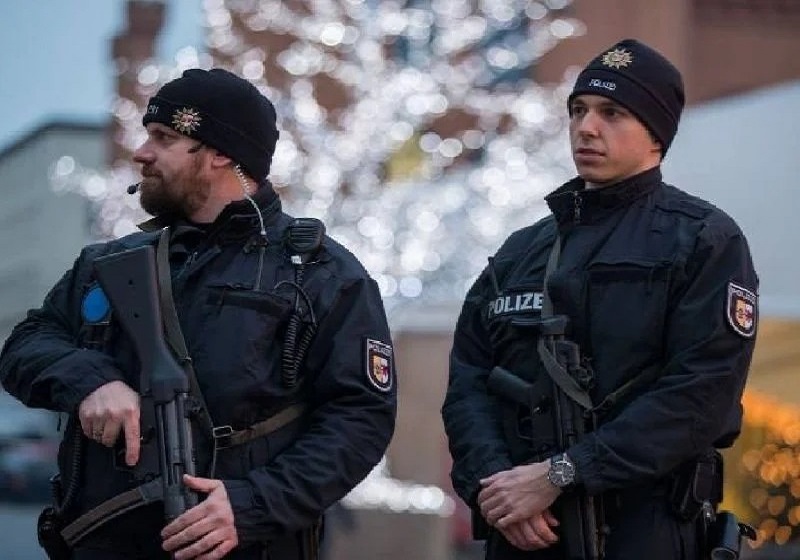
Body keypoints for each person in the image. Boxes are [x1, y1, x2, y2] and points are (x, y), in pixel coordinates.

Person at [0, 68, 397, 559]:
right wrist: (89, 380)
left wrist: (253, 503)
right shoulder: (110, 263)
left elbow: (359, 418)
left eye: (164, 137)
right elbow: (26, 344)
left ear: (221, 152)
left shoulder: (320, 273)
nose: (142, 152)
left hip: (243, 545)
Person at [441, 39, 758, 559]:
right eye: (578, 111)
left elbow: (702, 394)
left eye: (612, 113)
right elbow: (469, 382)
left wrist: (566, 473)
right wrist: (496, 487)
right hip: (523, 526)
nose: (586, 127)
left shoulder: (704, 240)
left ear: (656, 134)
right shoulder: (521, 251)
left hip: (644, 527)